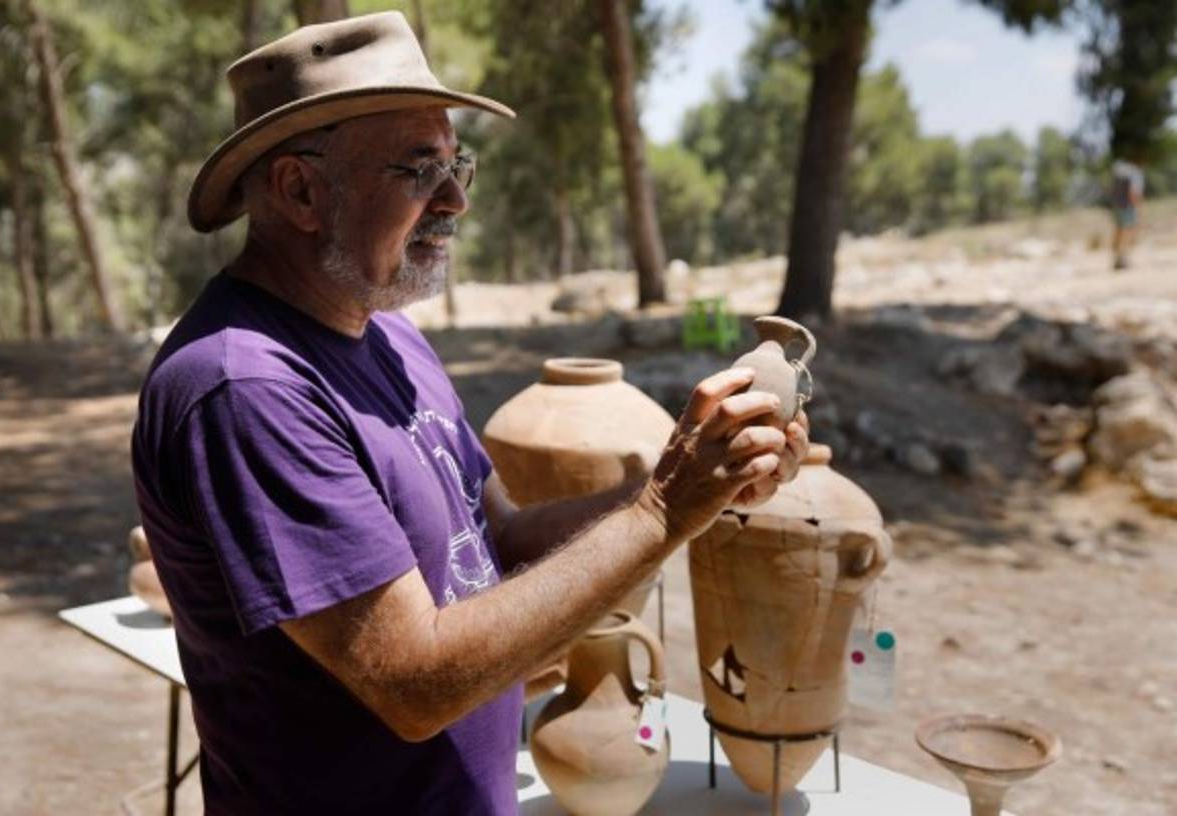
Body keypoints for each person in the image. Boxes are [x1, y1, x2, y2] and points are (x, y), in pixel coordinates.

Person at [132, 12, 809, 814]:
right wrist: (663, 507)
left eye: (459, 165)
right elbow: (412, 683)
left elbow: (492, 548)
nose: (456, 199)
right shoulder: (245, 388)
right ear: (299, 189)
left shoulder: (386, 336)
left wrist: (698, 489)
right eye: (421, 170)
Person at [1110, 158, 1144, 270]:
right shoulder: (1136, 174)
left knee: (1119, 231)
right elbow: (1133, 193)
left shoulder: (1120, 172)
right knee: (1128, 231)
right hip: (1128, 206)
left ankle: (1118, 258)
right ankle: (1122, 258)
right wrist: (1137, 207)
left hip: (1117, 205)